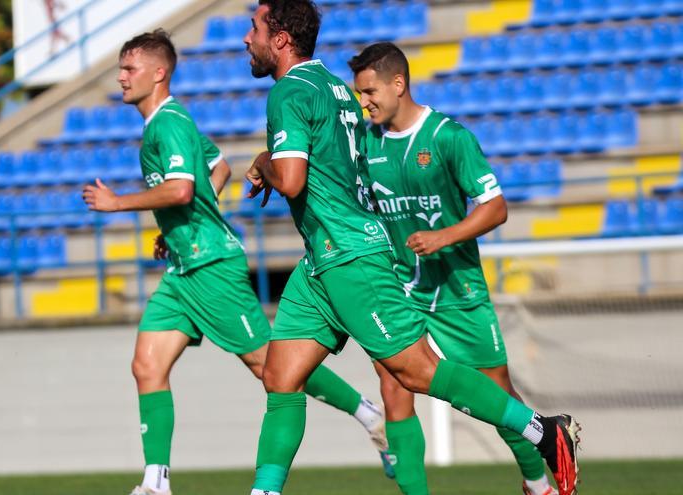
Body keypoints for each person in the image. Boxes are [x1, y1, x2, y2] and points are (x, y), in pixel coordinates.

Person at [241, 2, 580, 495]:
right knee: (281, 375)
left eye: (254, 28)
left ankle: (543, 432)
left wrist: (264, 161)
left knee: (416, 372)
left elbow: (291, 181)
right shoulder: (336, 87)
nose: (245, 39)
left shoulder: (290, 91)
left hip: (353, 257)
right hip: (322, 260)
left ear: (281, 39)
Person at [82, 29, 387, 495]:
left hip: (212, 269)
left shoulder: (168, 123)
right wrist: (181, 228)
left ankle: (367, 413)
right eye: (122, 68)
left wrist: (118, 203)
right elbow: (218, 168)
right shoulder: (166, 123)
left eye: (130, 68)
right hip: (185, 266)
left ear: (159, 73)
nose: (121, 77)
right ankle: (155, 482)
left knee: (272, 366)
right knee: (147, 365)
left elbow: (183, 188)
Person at [350, 41, 559, 495]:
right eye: (359, 94)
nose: (363, 103)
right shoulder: (366, 143)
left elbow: (496, 206)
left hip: (456, 289)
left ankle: (538, 482)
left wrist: (445, 236)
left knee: (497, 395)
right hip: (397, 290)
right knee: (393, 390)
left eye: (369, 92)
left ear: (398, 84)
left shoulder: (449, 137)